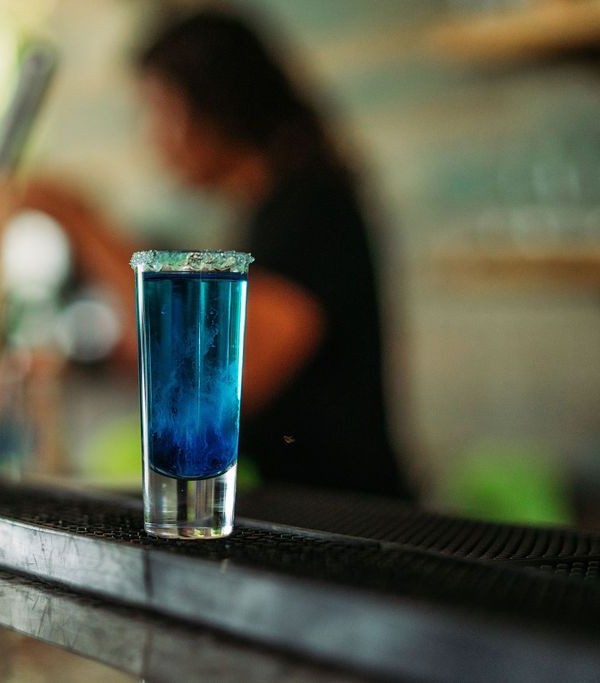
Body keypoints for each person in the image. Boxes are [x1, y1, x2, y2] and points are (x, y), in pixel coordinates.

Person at [25, 9, 412, 499]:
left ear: (217, 106)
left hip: (352, 516)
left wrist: (83, 224)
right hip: (305, 509)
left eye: (161, 110)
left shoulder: (312, 206)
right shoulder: (265, 210)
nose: (151, 136)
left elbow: (228, 376)